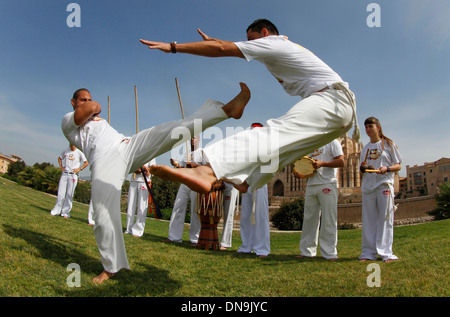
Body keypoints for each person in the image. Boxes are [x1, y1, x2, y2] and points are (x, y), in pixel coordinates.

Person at [141, 18, 359, 195]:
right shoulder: (280, 48)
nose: (250, 44)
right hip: (341, 113)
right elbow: (222, 44)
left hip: (331, 100)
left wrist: (173, 47)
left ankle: (207, 170)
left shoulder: (274, 43)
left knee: (271, 133)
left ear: (264, 33)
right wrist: (215, 40)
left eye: (251, 39)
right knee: (285, 150)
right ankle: (248, 181)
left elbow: (221, 49)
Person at [61, 85, 250, 284]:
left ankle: (224, 111)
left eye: (89, 98)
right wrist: (93, 105)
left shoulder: (96, 119)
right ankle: (110, 267)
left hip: (126, 145)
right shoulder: (68, 121)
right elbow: (93, 107)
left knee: (170, 130)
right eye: (83, 99)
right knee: (103, 215)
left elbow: (93, 109)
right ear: (73, 102)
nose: (88, 102)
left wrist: (93, 108)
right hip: (103, 161)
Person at [359, 117, 402, 263]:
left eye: (371, 126)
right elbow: (362, 167)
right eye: (366, 127)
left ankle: (386, 253)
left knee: (385, 218)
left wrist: (387, 169)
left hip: (384, 184)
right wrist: (365, 168)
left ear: (378, 127)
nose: (368, 129)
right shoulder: (365, 148)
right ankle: (368, 253)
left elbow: (398, 165)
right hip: (368, 187)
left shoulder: (388, 144)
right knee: (368, 221)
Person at [294, 139, 344, 260]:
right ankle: (307, 251)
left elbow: (341, 161)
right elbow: (306, 163)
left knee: (328, 219)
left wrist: (323, 164)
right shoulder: (312, 143)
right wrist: (299, 172)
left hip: (327, 183)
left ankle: (330, 253)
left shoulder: (333, 142)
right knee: (309, 219)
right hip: (311, 184)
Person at [237, 123, 270, 257]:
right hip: (247, 183)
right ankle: (246, 246)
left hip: (259, 183)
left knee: (260, 216)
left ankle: (262, 249)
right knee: (245, 216)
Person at [166, 136, 204, 244]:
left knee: (195, 210)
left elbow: (206, 168)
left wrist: (195, 165)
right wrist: (176, 164)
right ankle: (174, 237)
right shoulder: (186, 154)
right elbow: (181, 169)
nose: (192, 140)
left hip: (196, 183)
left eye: (194, 138)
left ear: (199, 140)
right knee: (178, 207)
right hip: (185, 184)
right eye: (191, 138)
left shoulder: (202, 152)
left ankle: (195, 239)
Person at [50, 143, 88, 218]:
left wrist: (79, 169)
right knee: (61, 193)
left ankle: (65, 212)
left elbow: (86, 162)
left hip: (73, 175)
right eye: (71, 143)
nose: (72, 145)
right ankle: (56, 211)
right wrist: (61, 167)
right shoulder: (66, 150)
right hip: (65, 174)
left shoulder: (79, 152)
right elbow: (60, 158)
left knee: (69, 194)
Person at [124, 159, 156, 237]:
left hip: (144, 181)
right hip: (134, 180)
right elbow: (130, 165)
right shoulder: (138, 153)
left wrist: (144, 168)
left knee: (142, 207)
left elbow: (152, 169)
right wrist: (135, 169)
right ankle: (129, 228)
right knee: (130, 205)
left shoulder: (151, 154)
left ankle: (138, 230)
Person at [220, 182, 239, 250]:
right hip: (216, 185)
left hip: (231, 186)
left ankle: (225, 242)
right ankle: (210, 238)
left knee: (228, 214)